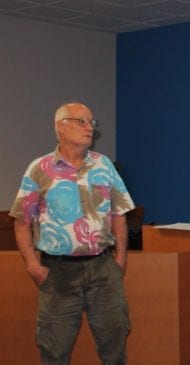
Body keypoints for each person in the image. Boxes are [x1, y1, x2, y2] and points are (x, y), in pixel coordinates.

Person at [9, 102, 134, 365]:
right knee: (54, 350)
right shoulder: (39, 169)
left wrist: (120, 260)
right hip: (58, 274)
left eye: (91, 122)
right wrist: (32, 265)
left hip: (103, 270)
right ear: (60, 127)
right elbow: (21, 221)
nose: (90, 128)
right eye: (82, 121)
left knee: (114, 345)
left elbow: (119, 213)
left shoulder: (104, 166)